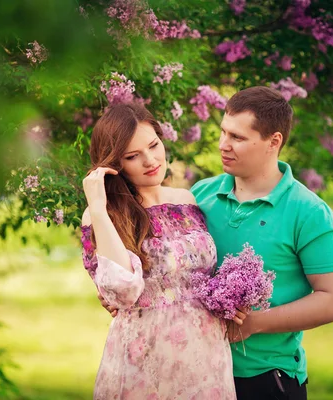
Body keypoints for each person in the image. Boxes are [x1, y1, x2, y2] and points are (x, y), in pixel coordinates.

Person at [191, 86, 333, 400]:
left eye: (237, 137)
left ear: (273, 142)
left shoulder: (309, 212)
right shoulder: (199, 195)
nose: (224, 145)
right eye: (223, 133)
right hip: (197, 371)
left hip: (266, 380)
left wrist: (255, 324)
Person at [79, 102, 240, 399]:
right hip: (145, 358)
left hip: (207, 355)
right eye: (132, 156)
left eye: (154, 145)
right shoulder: (104, 215)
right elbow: (122, 292)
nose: (150, 160)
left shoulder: (187, 199)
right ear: (114, 164)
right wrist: (99, 208)